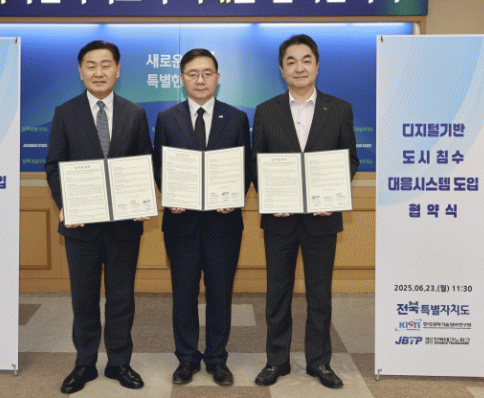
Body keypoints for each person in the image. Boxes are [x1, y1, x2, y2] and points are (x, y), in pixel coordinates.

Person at [251, 34, 359, 389]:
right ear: (281, 69)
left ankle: (319, 361)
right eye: (291, 61)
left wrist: (333, 195)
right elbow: (257, 162)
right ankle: (276, 360)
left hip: (321, 220)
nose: (299, 68)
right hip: (279, 221)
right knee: (277, 294)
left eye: (306, 60)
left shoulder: (339, 108)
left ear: (317, 65)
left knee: (319, 295)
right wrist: (271, 197)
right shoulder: (266, 110)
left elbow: (350, 159)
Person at [45, 40, 152, 394]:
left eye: (106, 65)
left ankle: (119, 362)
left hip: (124, 226)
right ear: (81, 72)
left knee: (121, 298)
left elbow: (144, 163)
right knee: (84, 299)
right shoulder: (65, 112)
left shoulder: (135, 113)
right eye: (91, 65)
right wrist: (66, 203)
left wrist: (142, 199)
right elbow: (54, 165)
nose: (99, 72)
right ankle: (85, 362)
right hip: (81, 225)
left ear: (118, 70)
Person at [152, 48, 251, 386]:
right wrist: (169, 194)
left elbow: (245, 166)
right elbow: (158, 165)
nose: (200, 80)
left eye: (207, 73)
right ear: (182, 79)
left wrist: (234, 197)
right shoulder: (167, 119)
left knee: (220, 294)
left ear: (217, 78)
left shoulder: (236, 118)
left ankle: (217, 359)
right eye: (193, 73)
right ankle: (186, 358)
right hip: (181, 224)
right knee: (183, 293)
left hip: (224, 224)